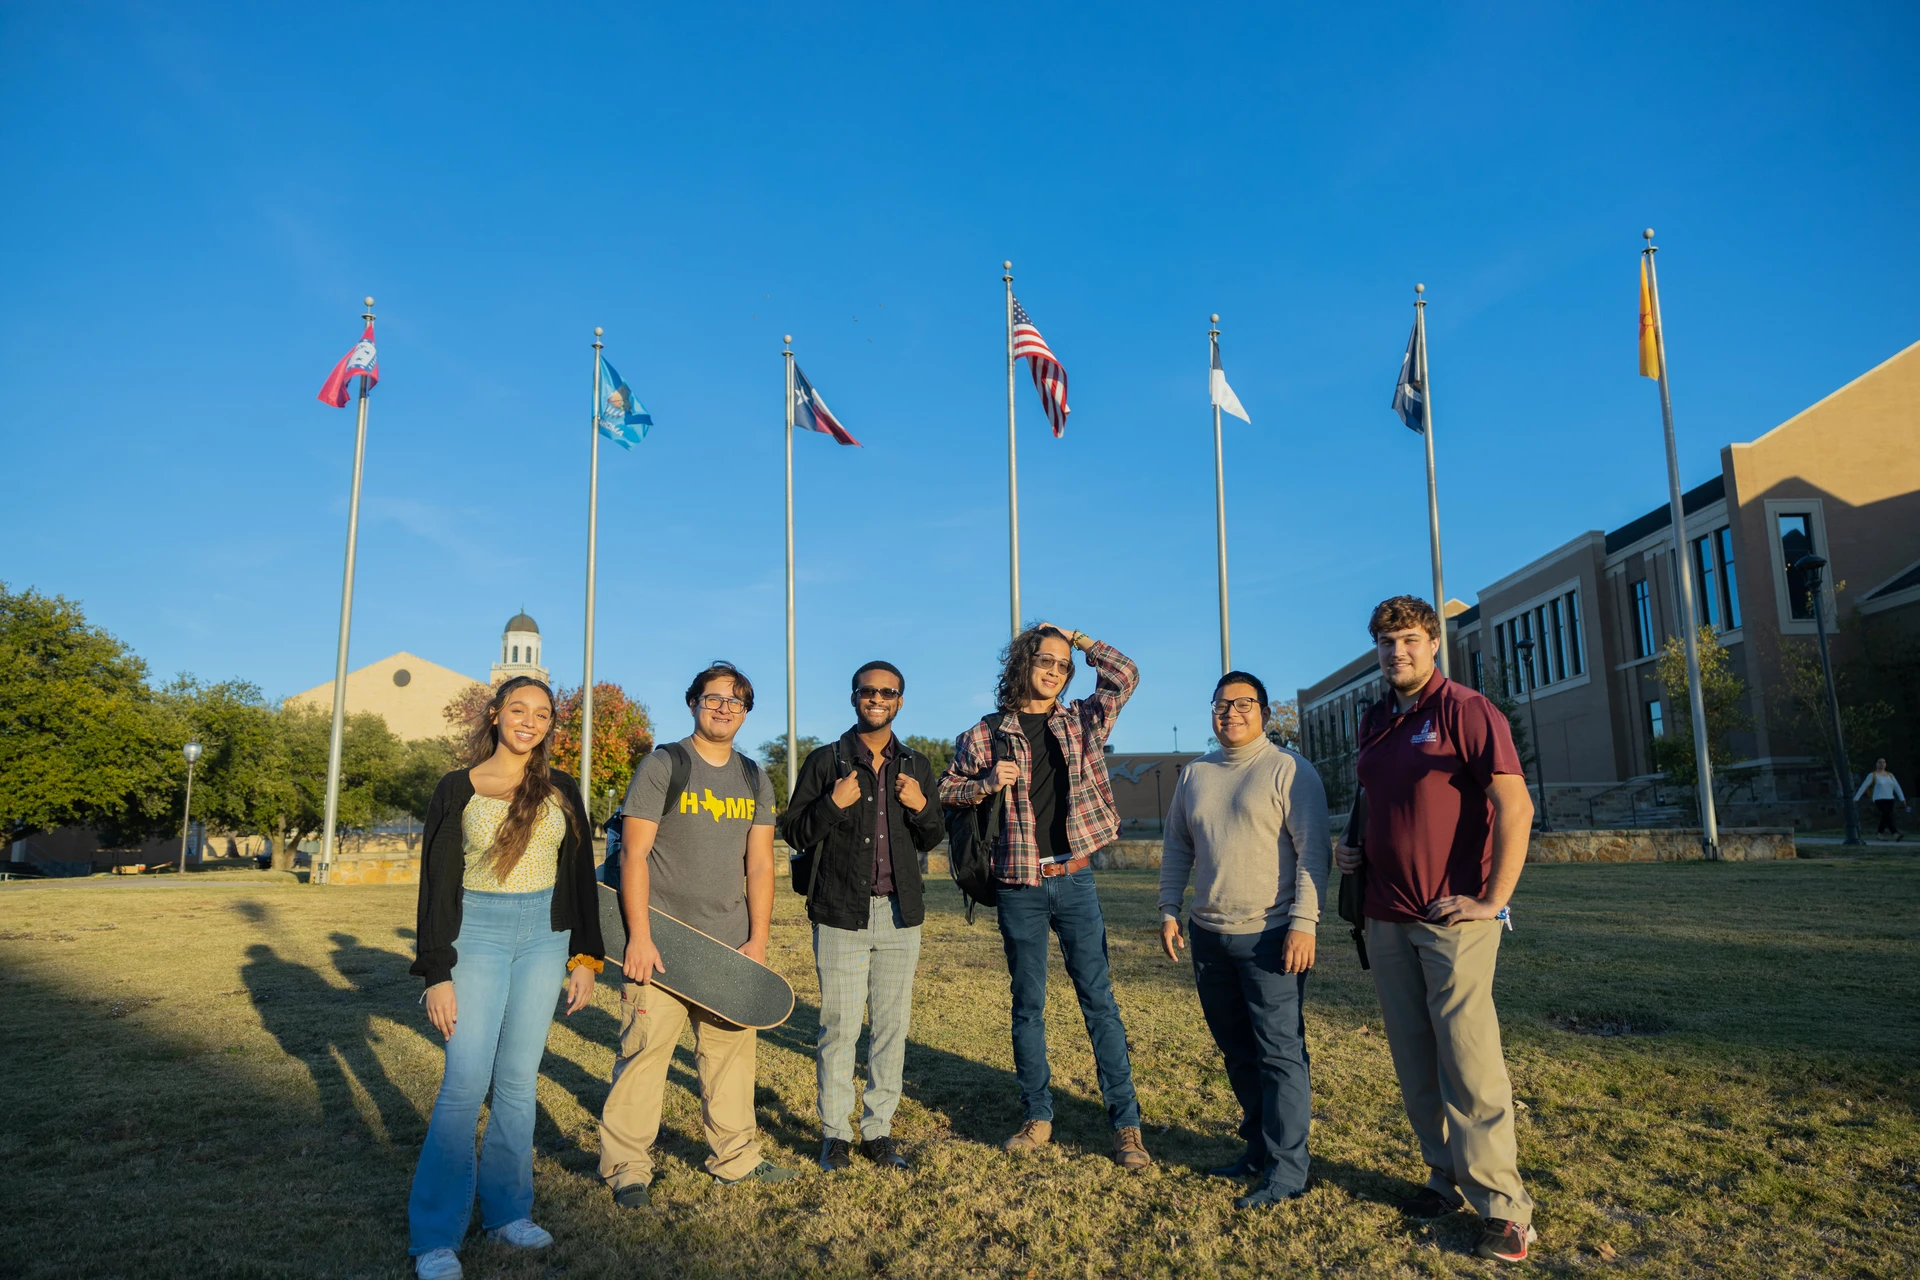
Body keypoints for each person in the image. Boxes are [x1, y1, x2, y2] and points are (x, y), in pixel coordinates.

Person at [1333, 596, 1537, 1264]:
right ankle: (1443, 1177)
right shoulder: (1373, 720)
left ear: (1434, 645)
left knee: (1469, 1061)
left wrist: (1492, 900)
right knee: (1415, 1061)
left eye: (1412, 641)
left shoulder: (1466, 710)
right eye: (1388, 644)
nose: (1399, 653)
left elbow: (1515, 803)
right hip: (1385, 914)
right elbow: (1379, 799)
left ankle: (1506, 1211)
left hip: (1453, 917)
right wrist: (1351, 848)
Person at [407, 677, 604, 1280]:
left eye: (542, 714)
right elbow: (436, 885)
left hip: (544, 936)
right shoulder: (456, 789)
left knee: (518, 1081)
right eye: (518, 709)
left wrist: (584, 958)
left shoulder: (563, 789)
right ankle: (435, 1238)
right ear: (494, 715)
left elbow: (579, 878)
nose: (529, 721)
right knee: (464, 1084)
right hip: (478, 935)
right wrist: (437, 972)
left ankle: (508, 1213)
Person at [938, 623, 1152, 1170]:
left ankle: (1125, 1125)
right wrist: (986, 780)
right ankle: (1037, 1115)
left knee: (1099, 1002)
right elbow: (947, 789)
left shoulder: (1083, 719)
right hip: (1018, 884)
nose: (1055, 670)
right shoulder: (985, 733)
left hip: (1075, 879)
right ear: (1021, 664)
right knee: (1028, 1005)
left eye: (1062, 664)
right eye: (1045, 660)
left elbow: (1125, 674)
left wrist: (1079, 639)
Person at [599, 661, 797, 1206]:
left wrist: (757, 941)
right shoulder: (665, 764)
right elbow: (634, 854)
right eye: (713, 699)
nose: (724, 708)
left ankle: (735, 1159)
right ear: (693, 703)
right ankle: (627, 1170)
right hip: (661, 940)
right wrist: (638, 935)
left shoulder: (756, 777)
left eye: (735, 702)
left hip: (727, 944)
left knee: (731, 1060)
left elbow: (759, 865)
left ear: (746, 711)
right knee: (642, 1057)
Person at [1159, 670, 1329, 1210]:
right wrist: (1169, 910)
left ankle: (1288, 1170)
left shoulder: (1290, 771)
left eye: (1243, 703)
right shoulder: (1195, 775)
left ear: (1265, 711)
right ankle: (1256, 1150)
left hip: (1272, 936)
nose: (1231, 712)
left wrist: (1304, 922)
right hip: (1208, 935)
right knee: (1237, 1052)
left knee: (1280, 1055)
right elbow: (1177, 848)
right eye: (1221, 704)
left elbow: (1313, 855)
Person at [781, 661, 947, 1172]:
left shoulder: (916, 765)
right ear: (854, 697)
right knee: (839, 1028)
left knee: (891, 1028)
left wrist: (920, 805)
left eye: (888, 692)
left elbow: (934, 835)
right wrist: (832, 803)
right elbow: (794, 832)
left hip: (900, 917)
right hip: (838, 914)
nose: (877, 698)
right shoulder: (825, 761)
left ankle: (878, 1131)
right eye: (868, 691)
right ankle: (836, 1134)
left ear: (900, 700)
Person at [1853, 758, 1908, 840]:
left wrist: (1902, 799)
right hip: (1879, 799)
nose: (1882, 764)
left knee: (1886, 816)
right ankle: (1895, 833)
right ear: (1876, 764)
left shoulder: (1890, 775)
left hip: (1890, 798)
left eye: (1883, 762)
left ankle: (1879, 834)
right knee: (1887, 815)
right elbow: (1864, 786)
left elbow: (1897, 787)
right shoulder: (1872, 775)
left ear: (1886, 764)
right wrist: (1856, 798)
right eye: (1879, 762)